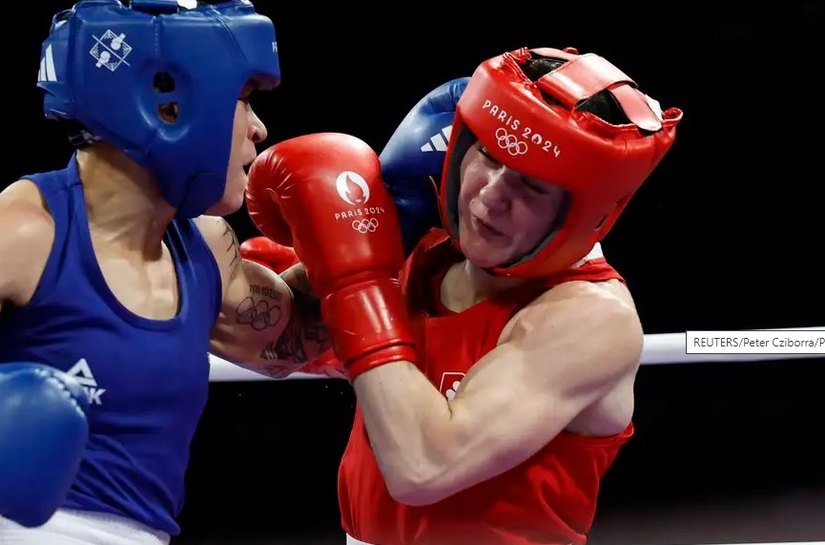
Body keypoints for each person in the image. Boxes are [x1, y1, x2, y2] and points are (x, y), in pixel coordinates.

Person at [245, 46, 683, 544]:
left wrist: (356, 277)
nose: (490, 195)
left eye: (532, 185)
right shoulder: (422, 256)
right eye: (489, 157)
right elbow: (264, 336)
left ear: (584, 211)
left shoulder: (588, 317)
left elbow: (424, 467)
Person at [0, 1, 333, 543]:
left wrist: (359, 240)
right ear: (169, 106)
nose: (259, 129)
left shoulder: (204, 247)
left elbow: (292, 342)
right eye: (244, 101)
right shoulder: (24, 231)